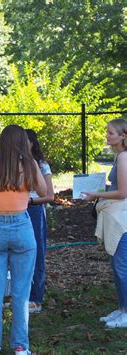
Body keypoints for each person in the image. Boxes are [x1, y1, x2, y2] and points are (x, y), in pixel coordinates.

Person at [0, 125, 47, 355]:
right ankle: (20, 347)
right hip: (22, 226)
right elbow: (44, 192)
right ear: (23, 142)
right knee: (21, 292)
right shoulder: (30, 164)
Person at [83, 118, 127, 329]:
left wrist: (96, 194)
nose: (107, 136)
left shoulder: (124, 157)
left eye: (111, 133)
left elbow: (122, 192)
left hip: (122, 219)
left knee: (121, 266)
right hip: (116, 216)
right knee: (116, 264)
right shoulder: (119, 157)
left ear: (123, 136)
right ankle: (121, 309)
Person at [25, 129, 54, 313]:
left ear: (32, 144)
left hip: (34, 210)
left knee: (37, 252)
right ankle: (21, 296)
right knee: (19, 254)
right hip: (16, 210)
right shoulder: (14, 163)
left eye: (24, 141)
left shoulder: (41, 165)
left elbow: (50, 195)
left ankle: (36, 298)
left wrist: (32, 201)